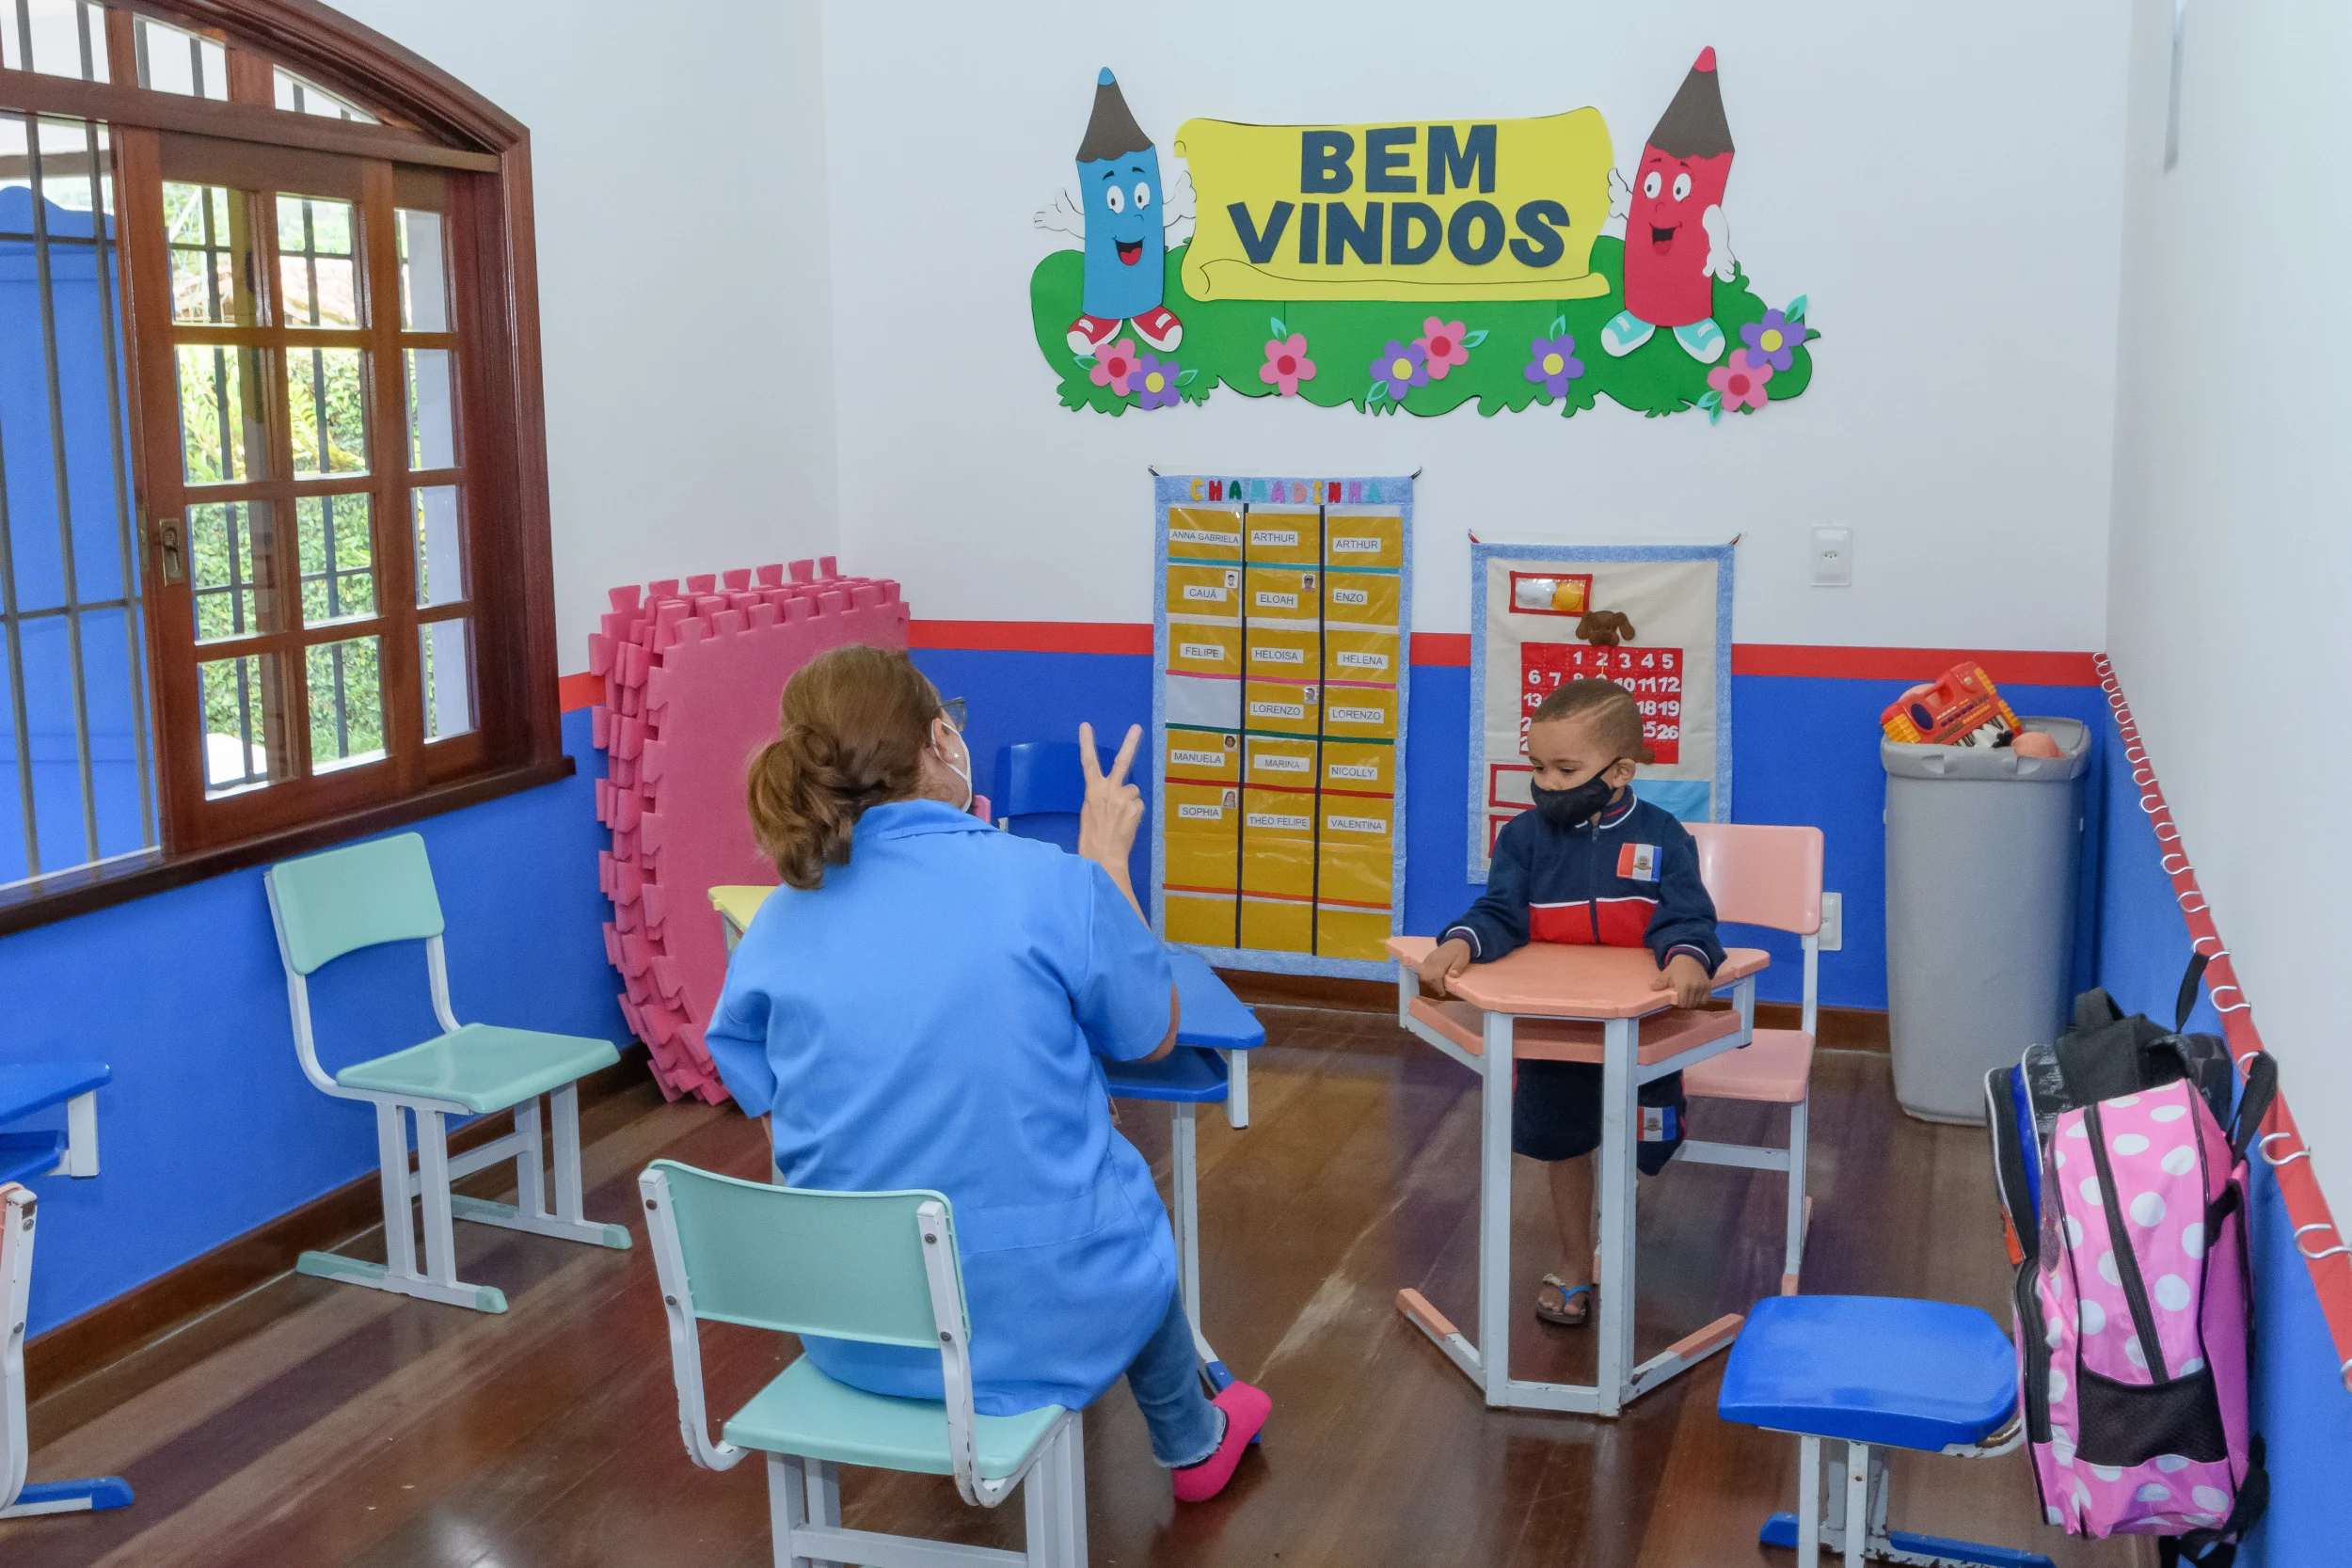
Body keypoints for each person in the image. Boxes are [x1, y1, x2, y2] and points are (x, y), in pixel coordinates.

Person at [703, 645, 1270, 1502]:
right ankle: (1192, 1440)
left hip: (848, 1326)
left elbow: (763, 1089)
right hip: (1036, 1314)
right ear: (940, 739)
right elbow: (1152, 1032)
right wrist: (1108, 867)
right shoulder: (1051, 882)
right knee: (1119, 1195)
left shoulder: (778, 922)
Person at [1418, 678, 1724, 1328]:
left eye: (1565, 770)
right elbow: (1500, 912)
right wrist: (1461, 942)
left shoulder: (1664, 836)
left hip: (1642, 1025)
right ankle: (1575, 1261)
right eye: (1537, 767)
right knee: (1561, 1143)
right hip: (1555, 1023)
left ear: (1621, 771)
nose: (1547, 784)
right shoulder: (1523, 837)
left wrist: (1689, 956)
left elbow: (1688, 918)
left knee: (1647, 1139)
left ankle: (1631, 1190)